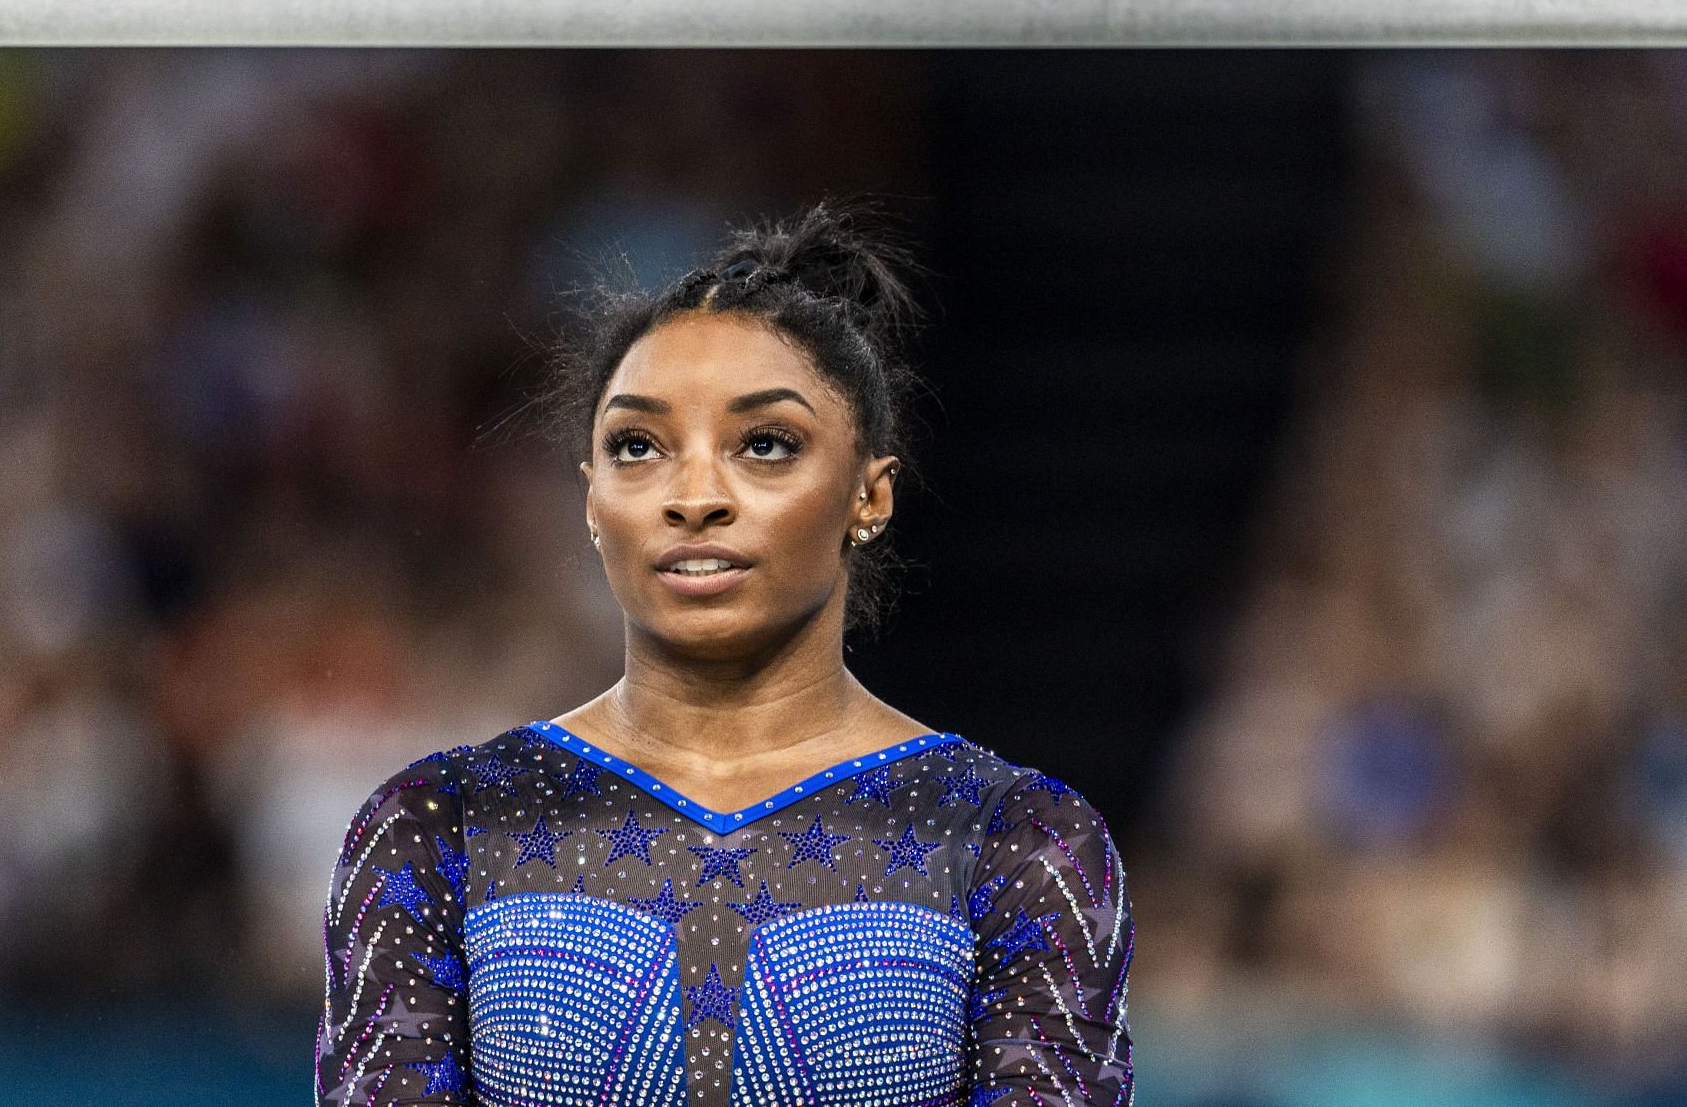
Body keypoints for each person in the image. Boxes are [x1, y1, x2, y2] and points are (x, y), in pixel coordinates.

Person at [314, 199, 1134, 1106]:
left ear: (870, 495)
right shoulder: (440, 829)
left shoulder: (1012, 841)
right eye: (638, 447)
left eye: (766, 445)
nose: (694, 495)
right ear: (592, 500)